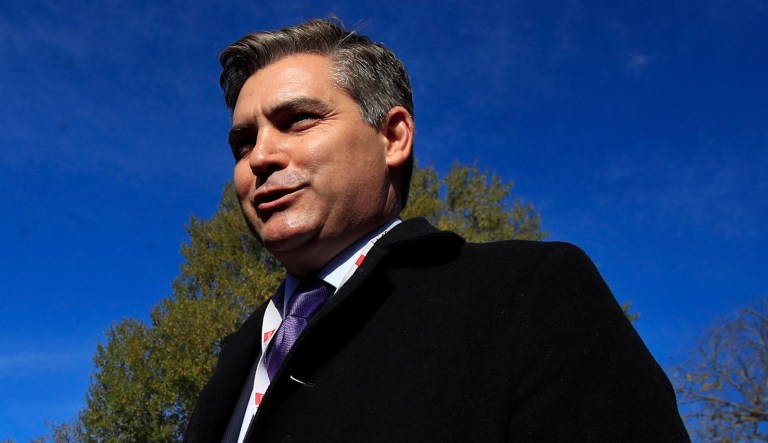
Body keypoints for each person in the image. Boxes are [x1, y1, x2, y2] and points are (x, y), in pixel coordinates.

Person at [184, 19, 689, 442]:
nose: (261, 158)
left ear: (393, 136)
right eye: (243, 142)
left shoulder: (528, 293)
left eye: (298, 120)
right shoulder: (237, 355)